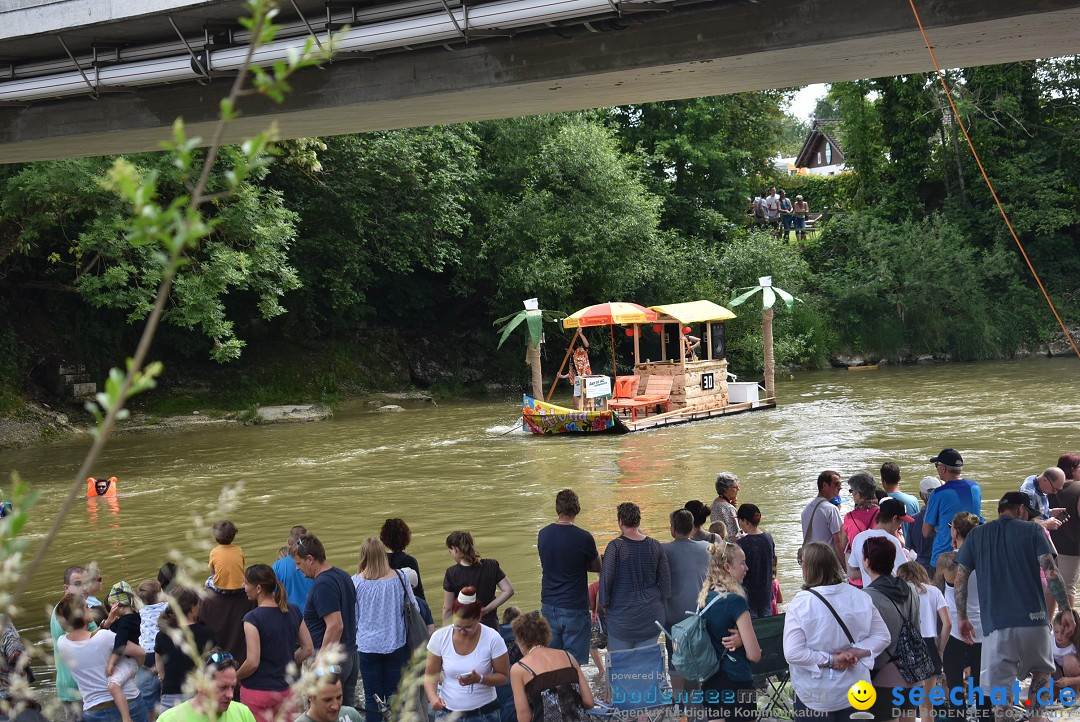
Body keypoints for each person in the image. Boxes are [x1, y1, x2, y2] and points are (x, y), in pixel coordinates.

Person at [955, 491, 1076, 722]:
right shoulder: (1034, 530)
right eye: (1028, 514)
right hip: (1036, 621)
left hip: (997, 626)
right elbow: (1051, 573)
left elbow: (960, 577)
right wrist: (1065, 610)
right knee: (1041, 672)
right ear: (1021, 509)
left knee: (1002, 694)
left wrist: (962, 617)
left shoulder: (976, 535)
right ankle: (1036, 718)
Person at [783, 542, 890, 721]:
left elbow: (793, 653)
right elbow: (883, 636)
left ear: (807, 568)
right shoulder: (861, 596)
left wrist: (831, 659)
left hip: (815, 695)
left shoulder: (801, 603)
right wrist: (855, 651)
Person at [290, 533, 359, 709]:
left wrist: (320, 660)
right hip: (350, 654)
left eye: (299, 563)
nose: (298, 569)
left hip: (331, 661)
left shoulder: (323, 585)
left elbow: (336, 625)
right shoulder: (343, 575)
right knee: (346, 712)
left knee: (323, 712)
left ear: (310, 559)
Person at [351, 537, 416, 722]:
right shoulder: (400, 578)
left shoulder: (355, 582)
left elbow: (354, 618)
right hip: (395, 644)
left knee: (373, 700)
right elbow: (414, 608)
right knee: (395, 697)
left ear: (362, 556)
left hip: (367, 647)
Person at [237, 564, 313, 722]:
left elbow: (252, 662)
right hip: (287, 691)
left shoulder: (252, 619)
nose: (243, 587)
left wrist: (235, 676)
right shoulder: (293, 610)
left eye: (246, 583)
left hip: (258, 692)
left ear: (258, 588)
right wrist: (288, 662)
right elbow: (307, 648)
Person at [54, 594, 148, 722]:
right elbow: (140, 652)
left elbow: (88, 639)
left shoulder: (62, 643)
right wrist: (134, 669)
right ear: (80, 614)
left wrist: (106, 624)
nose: (90, 609)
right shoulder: (105, 637)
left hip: (94, 709)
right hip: (128, 701)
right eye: (86, 607)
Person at [933, 511, 989, 722]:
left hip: (955, 631)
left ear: (955, 531)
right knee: (983, 687)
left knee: (956, 687)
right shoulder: (987, 561)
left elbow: (935, 593)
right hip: (984, 632)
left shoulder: (947, 560)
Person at [424, 587, 510, 722]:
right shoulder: (439, 637)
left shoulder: (493, 638)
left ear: (479, 617)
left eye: (469, 627)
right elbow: (430, 674)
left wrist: (480, 679)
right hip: (448, 714)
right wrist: (433, 697)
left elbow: (503, 677)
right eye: (458, 626)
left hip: (484, 714)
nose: (463, 632)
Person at [859, 536, 921, 720]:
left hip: (884, 676)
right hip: (913, 669)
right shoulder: (911, 589)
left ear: (867, 561)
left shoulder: (866, 596)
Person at [537, 489, 599, 667]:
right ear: (577, 509)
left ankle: (557, 693)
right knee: (575, 663)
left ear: (558, 509)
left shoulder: (543, 534)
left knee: (554, 661)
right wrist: (582, 565)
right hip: (574, 606)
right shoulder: (584, 537)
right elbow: (597, 567)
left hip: (549, 604)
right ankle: (575, 693)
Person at [697, 542, 760, 719]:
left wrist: (741, 639)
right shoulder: (735, 602)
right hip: (737, 681)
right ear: (727, 567)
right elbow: (754, 655)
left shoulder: (704, 598)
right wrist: (744, 641)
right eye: (742, 563)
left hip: (710, 681)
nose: (746, 568)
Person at [599, 502, 670, 650]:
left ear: (620, 522)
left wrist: (605, 606)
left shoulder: (615, 546)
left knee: (622, 665)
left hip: (621, 618)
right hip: (652, 617)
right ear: (639, 521)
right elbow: (666, 586)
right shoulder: (655, 545)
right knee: (645, 665)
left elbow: (605, 582)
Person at [508, 613, 593, 722]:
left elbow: (524, 717)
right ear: (546, 635)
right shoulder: (568, 656)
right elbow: (589, 702)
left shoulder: (519, 669)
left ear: (521, 640)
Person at [661, 509, 709, 692]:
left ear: (673, 528)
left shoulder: (664, 549)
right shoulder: (706, 547)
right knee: (699, 654)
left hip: (673, 615)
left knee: (674, 656)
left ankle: (679, 700)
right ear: (692, 528)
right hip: (700, 615)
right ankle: (699, 694)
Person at [897, 561, 950, 722]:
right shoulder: (934, 591)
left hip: (905, 646)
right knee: (927, 706)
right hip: (929, 645)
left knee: (905, 706)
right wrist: (940, 649)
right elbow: (947, 623)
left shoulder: (900, 592)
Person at [154, 588, 216, 712]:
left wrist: (163, 676)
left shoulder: (162, 635)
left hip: (169, 697)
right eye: (198, 604)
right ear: (192, 608)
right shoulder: (206, 634)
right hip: (197, 696)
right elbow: (213, 665)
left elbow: (160, 668)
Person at [923, 448, 983, 570]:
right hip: (971, 556)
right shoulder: (976, 488)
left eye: (936, 465)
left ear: (943, 469)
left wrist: (938, 527)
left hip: (944, 559)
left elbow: (925, 532)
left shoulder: (938, 493)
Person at [443, 531, 515, 630]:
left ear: (454, 549)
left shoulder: (451, 573)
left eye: (450, 551)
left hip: (464, 629)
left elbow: (447, 608)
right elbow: (509, 590)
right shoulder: (491, 565)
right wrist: (486, 610)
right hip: (490, 626)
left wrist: (445, 632)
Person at [156, 653, 255, 722]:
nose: (230, 695)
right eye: (222, 687)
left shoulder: (243, 713)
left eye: (232, 687)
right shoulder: (170, 719)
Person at [51, 566, 94, 722]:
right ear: (66, 588)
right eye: (77, 584)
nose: (84, 588)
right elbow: (91, 642)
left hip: (73, 686)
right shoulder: (68, 614)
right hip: (76, 687)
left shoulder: (66, 610)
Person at [846, 498, 915, 585]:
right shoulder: (892, 541)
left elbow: (853, 573)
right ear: (894, 519)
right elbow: (903, 573)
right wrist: (910, 559)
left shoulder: (858, 538)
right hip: (890, 594)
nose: (899, 525)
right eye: (900, 522)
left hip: (869, 593)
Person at [102, 582, 143, 722]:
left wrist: (110, 664)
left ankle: (126, 718)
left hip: (129, 662)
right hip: (132, 659)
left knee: (113, 685)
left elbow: (120, 644)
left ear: (117, 606)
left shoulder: (124, 623)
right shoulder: (135, 616)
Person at [1050, 452, 1080, 608]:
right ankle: (1069, 627)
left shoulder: (1048, 487)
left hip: (1047, 545)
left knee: (1050, 587)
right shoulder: (1078, 488)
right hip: (1071, 547)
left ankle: (1050, 627)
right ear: (1072, 469)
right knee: (1068, 587)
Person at [841, 472, 880, 587]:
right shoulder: (883, 515)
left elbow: (844, 544)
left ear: (858, 495)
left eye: (851, 491)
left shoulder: (849, 517)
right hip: (879, 577)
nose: (852, 494)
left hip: (857, 577)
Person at [735, 504, 775, 618]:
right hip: (766, 595)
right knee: (766, 630)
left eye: (739, 521)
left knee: (751, 630)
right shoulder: (769, 538)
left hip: (748, 597)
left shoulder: (741, 544)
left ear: (745, 521)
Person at [135, 581, 166, 721]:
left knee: (149, 704)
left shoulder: (141, 610)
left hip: (145, 655)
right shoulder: (166, 607)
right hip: (159, 652)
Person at [800, 470, 845, 563]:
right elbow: (838, 542)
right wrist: (846, 569)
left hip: (810, 563)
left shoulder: (806, 509)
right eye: (837, 484)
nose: (840, 487)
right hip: (827, 563)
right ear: (824, 485)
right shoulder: (831, 509)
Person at [379, 518, 426, 600]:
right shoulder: (409, 561)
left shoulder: (378, 561)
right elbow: (418, 593)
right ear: (406, 538)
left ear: (384, 539)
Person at [272, 526, 314, 610]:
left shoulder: (278, 565)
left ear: (288, 542)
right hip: (314, 614)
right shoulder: (314, 562)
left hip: (289, 615)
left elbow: (270, 593)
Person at [907, 476, 941, 576]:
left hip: (921, 570)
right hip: (942, 567)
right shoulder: (945, 516)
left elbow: (911, 547)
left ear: (921, 496)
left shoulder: (913, 520)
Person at [293, 674, 361, 722]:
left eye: (339, 697)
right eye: (327, 700)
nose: (335, 706)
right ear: (310, 697)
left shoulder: (351, 715)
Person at [881, 461, 919, 541]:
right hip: (909, 549)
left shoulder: (881, 502)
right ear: (900, 478)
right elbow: (917, 526)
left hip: (887, 547)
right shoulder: (912, 500)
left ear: (883, 481)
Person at [207, 520, 245, 595]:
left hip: (221, 589)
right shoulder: (238, 550)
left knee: (208, 581)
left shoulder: (214, 552)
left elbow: (212, 571)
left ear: (215, 537)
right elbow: (242, 568)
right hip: (240, 588)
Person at [557, 334, 591, 411]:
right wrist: (562, 376)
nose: (566, 352)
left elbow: (586, 345)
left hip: (585, 377)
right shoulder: (571, 358)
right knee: (575, 396)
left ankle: (586, 410)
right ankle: (578, 411)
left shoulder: (579, 351)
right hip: (578, 380)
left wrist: (580, 334)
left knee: (585, 395)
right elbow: (571, 373)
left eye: (567, 350)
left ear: (571, 348)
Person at [1051, 609, 1080, 695]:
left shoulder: (1076, 644)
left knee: (1069, 660)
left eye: (1064, 633)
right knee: (1042, 660)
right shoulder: (1049, 638)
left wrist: (1070, 681)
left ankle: (1076, 695)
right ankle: (1054, 695)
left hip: (1075, 679)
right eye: (1056, 631)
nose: (1059, 636)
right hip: (1058, 676)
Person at [710, 472, 740, 539]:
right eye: (735, 487)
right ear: (726, 489)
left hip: (718, 542)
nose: (738, 489)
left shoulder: (714, 504)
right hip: (730, 547)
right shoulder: (729, 508)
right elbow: (735, 535)